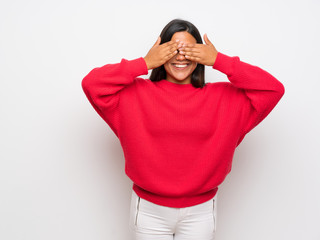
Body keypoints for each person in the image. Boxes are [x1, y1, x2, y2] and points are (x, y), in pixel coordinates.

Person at [81, 19, 285, 240]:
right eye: (173, 50)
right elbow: (92, 84)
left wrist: (219, 60)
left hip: (201, 212)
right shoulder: (134, 95)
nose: (180, 56)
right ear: (160, 53)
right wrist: (144, 63)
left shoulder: (224, 98)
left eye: (189, 50)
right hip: (149, 211)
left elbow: (273, 89)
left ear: (201, 55)